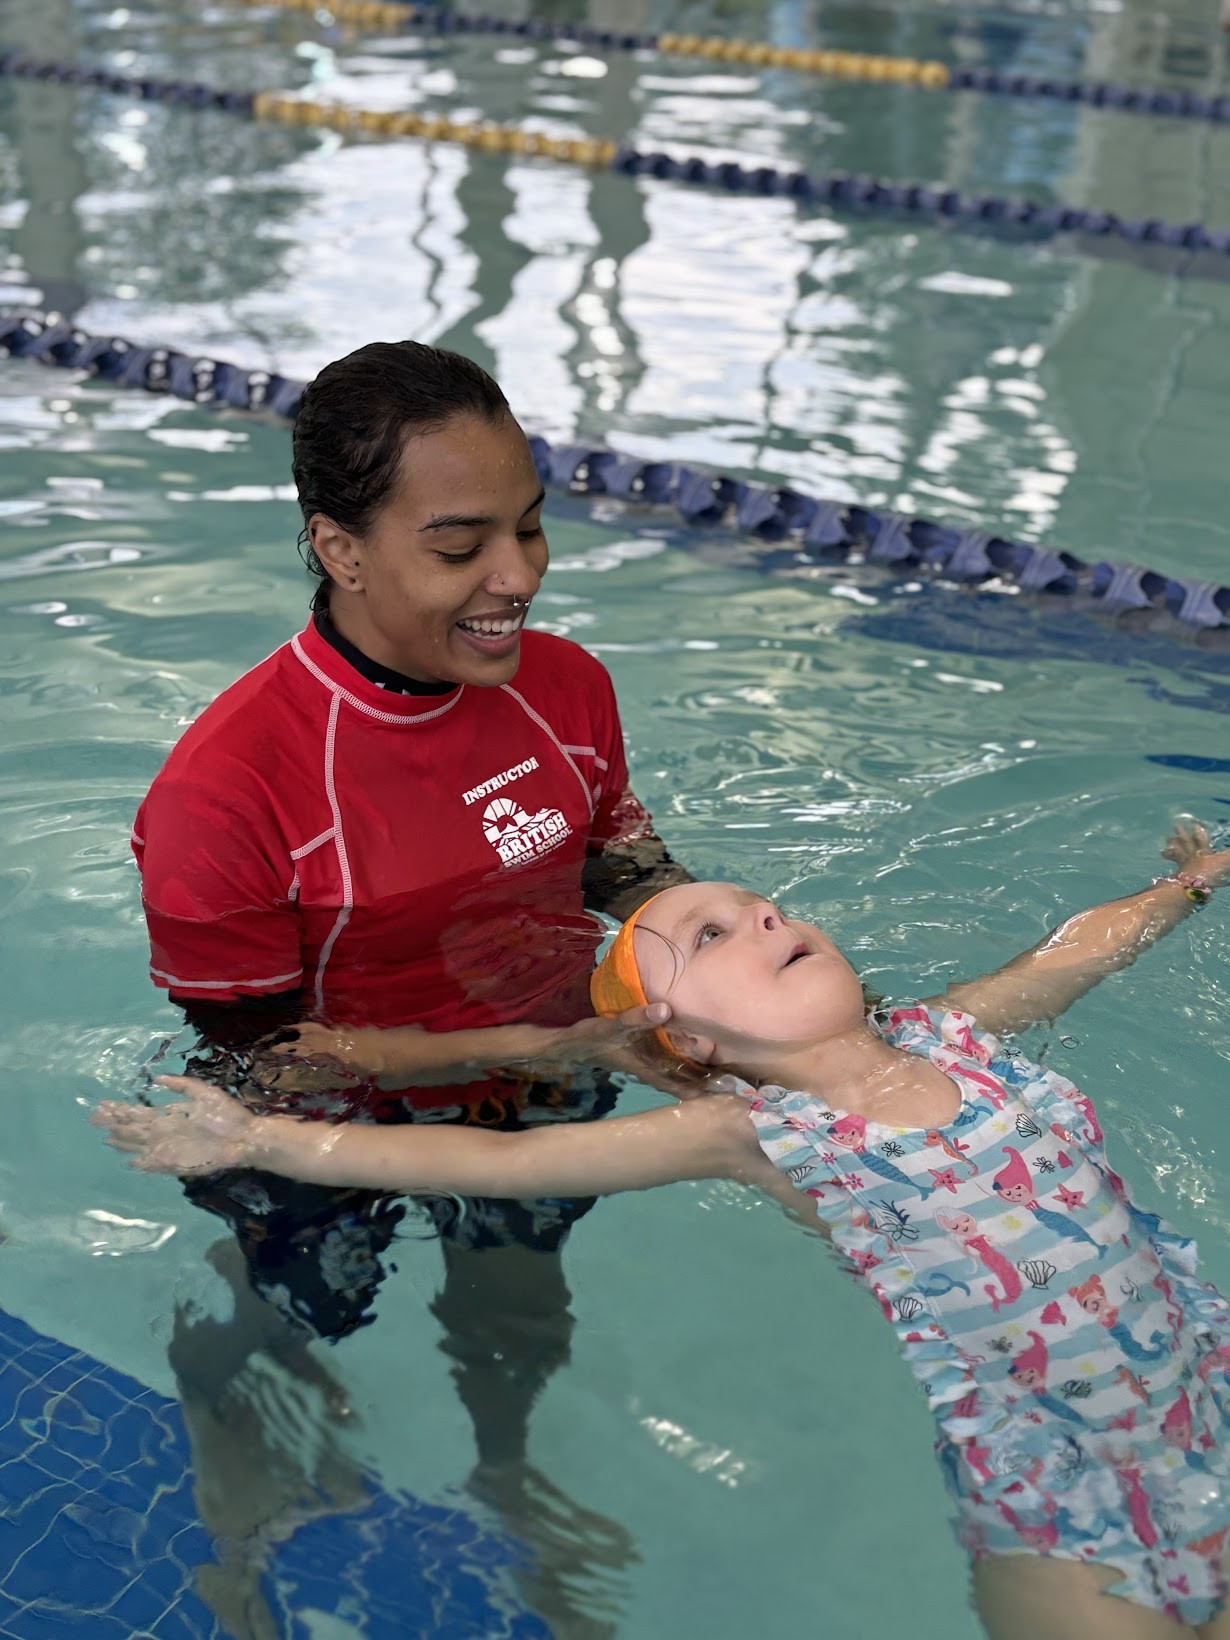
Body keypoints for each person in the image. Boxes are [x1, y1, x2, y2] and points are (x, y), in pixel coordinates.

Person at [101, 820, 1230, 1640]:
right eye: (714, 930)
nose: (767, 915)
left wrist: (1186, 886)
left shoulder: (958, 1035)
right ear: (683, 1039)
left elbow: (1075, 951)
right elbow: (503, 1157)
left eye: (767, 907)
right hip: (1050, 1479)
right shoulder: (758, 1131)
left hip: (1205, 1386)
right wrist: (270, 1142)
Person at [131, 338, 691, 1636]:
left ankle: (505, 1476)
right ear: (339, 546)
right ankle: (230, 1425)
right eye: (460, 547)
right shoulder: (233, 791)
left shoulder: (568, 688)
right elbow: (261, 1066)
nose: (518, 580)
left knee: (518, 1311)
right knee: (299, 1314)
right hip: (333, 1131)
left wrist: (741, 974)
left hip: (550, 1083)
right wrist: (555, 1044)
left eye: (532, 528)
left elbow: (629, 869)